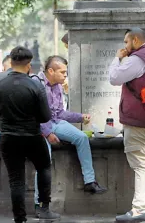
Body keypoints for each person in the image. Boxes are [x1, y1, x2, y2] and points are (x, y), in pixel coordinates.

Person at [0, 46, 60, 223]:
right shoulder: (35, 85)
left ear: (11, 63)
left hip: (9, 137)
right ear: (29, 65)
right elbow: (45, 116)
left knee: (16, 179)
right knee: (43, 168)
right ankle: (44, 209)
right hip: (33, 136)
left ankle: (19, 218)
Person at [33, 55, 107, 215]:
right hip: (37, 128)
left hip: (55, 122)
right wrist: (47, 133)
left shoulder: (58, 87)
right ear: (50, 71)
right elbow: (35, 114)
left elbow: (60, 113)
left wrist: (80, 117)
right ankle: (39, 203)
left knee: (81, 137)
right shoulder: (36, 85)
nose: (65, 76)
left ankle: (90, 181)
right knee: (43, 159)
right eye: (63, 72)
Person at [109, 28, 145, 222]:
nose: (124, 46)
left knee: (140, 165)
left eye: (126, 42)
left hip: (138, 121)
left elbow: (114, 78)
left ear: (136, 40)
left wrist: (117, 59)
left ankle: (139, 210)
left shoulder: (137, 59)